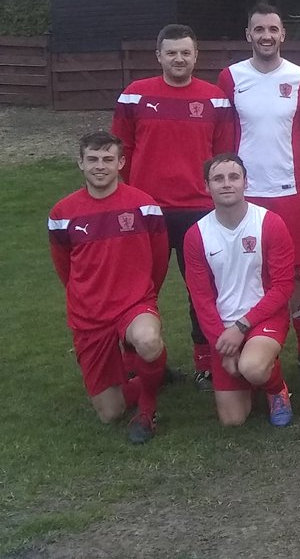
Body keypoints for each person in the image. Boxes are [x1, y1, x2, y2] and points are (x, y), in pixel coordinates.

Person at [112, 23, 233, 388]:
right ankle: (141, 361)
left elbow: (223, 157)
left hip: (200, 211)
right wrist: (127, 199)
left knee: (203, 288)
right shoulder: (134, 96)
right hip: (147, 213)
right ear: (158, 56)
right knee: (139, 289)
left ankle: (205, 363)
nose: (178, 59)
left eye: (185, 52)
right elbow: (122, 153)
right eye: (171, 52)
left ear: (196, 56)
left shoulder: (215, 99)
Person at [48, 132, 169, 444]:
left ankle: (147, 409)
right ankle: (149, 377)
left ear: (121, 163)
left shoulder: (145, 207)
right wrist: (86, 295)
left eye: (107, 159)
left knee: (148, 340)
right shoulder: (62, 214)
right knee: (110, 413)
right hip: (89, 315)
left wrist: (144, 294)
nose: (99, 166)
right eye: (92, 159)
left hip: (134, 304)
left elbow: (158, 260)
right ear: (80, 163)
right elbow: (65, 268)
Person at [218, 4, 300, 371]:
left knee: (299, 271)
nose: (266, 36)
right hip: (247, 193)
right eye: (258, 29)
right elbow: (224, 133)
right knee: (248, 268)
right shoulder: (231, 77)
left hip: (290, 190)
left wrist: (289, 166)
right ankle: (250, 336)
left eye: (272, 29)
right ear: (249, 35)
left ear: (282, 34)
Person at [182, 154, 296, 427]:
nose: (227, 184)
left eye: (234, 177)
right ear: (206, 187)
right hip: (222, 328)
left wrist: (242, 327)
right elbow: (201, 298)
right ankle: (254, 371)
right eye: (218, 179)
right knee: (233, 420)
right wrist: (222, 344)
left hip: (264, 319)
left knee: (251, 367)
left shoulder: (270, 223)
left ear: (246, 182)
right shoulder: (196, 234)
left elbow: (282, 287)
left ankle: (275, 388)